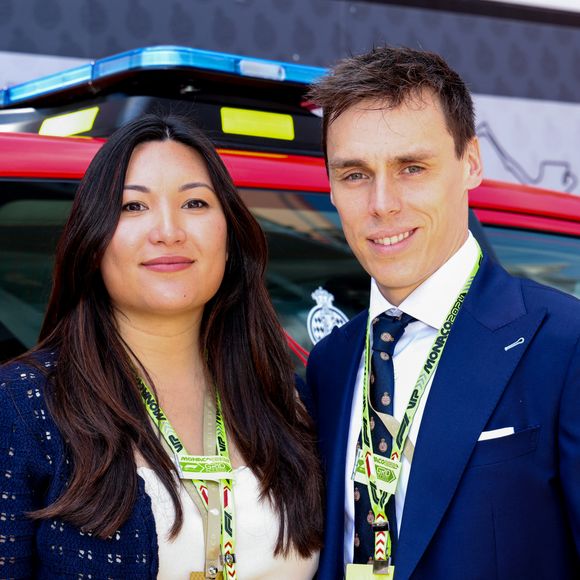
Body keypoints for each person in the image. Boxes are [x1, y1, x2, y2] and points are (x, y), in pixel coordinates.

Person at [0, 114, 323, 578]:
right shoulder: (23, 407)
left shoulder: (289, 400)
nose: (168, 230)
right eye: (133, 207)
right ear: (93, 242)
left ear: (229, 237)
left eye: (195, 203)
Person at [305, 46, 580, 579]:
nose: (382, 204)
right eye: (355, 174)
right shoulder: (331, 365)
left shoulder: (566, 344)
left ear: (471, 162)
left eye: (412, 167)